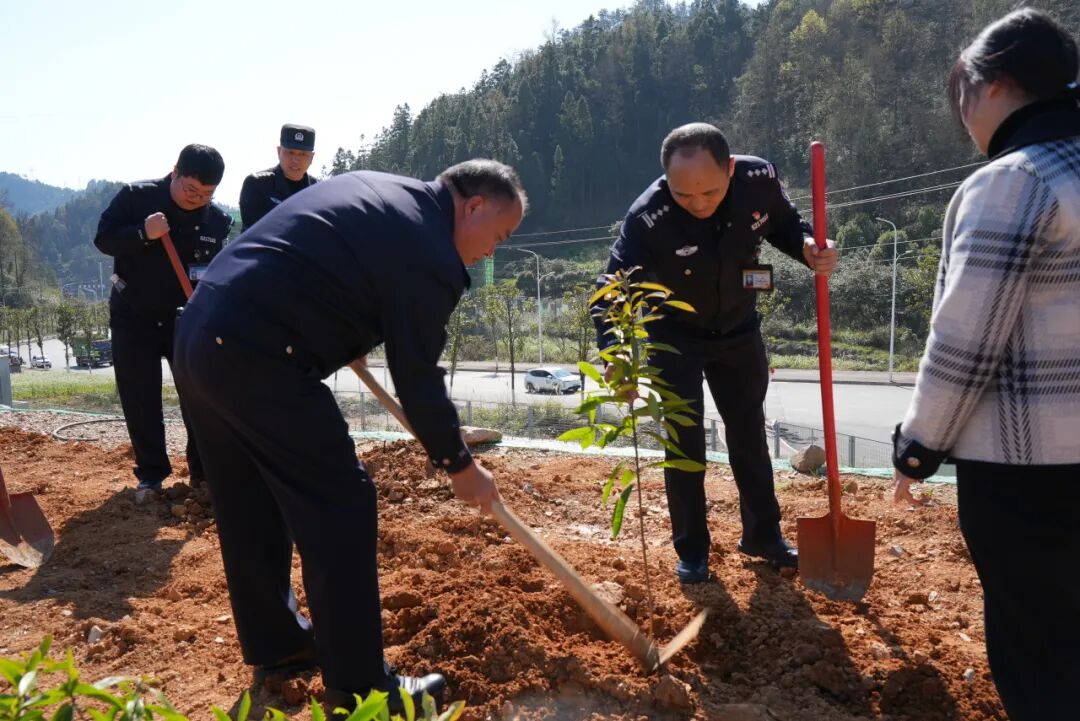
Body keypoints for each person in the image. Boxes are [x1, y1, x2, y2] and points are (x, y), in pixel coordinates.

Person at [172, 159, 526, 711]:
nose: (491, 253)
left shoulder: (385, 193)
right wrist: (459, 464)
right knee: (341, 503)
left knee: (249, 499)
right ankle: (362, 689)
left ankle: (280, 645)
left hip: (202, 334)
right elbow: (417, 375)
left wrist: (343, 325)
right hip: (260, 354)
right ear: (474, 206)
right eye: (498, 236)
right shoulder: (430, 247)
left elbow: (323, 261)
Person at [892, 10, 1080, 720]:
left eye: (962, 93)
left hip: (1031, 475)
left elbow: (966, 342)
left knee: (1042, 652)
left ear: (993, 83)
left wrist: (917, 448)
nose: (964, 114)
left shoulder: (1016, 181)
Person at [596, 123, 837, 583]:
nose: (698, 203)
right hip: (673, 338)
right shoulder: (647, 217)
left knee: (749, 436)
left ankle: (763, 536)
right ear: (666, 180)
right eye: (683, 195)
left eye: (709, 192)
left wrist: (808, 246)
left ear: (730, 168)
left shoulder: (758, 181)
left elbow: (784, 222)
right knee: (683, 446)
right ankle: (692, 550)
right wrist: (615, 353)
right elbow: (610, 289)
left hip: (738, 331)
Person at [94, 144, 232, 490]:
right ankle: (152, 474)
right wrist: (142, 233)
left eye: (206, 194)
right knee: (140, 397)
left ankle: (204, 474)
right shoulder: (136, 198)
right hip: (134, 316)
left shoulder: (216, 221)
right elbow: (104, 238)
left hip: (185, 321)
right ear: (175, 172)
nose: (196, 199)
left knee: (199, 397)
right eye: (191, 189)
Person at [238, 123, 318, 231]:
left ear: (312, 158)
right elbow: (256, 230)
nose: (295, 159)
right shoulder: (257, 184)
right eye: (290, 152)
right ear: (279, 151)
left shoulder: (318, 191)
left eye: (303, 154)